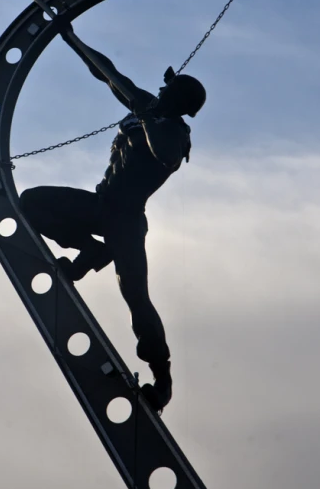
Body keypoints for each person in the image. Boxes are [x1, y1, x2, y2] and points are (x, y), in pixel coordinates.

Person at [19, 20, 206, 411]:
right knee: (32, 202)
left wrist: (149, 118)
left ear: (179, 98)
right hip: (101, 206)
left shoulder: (174, 132)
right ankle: (92, 252)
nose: (160, 88)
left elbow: (165, 157)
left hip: (127, 220)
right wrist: (71, 38)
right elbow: (108, 73)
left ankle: (163, 379)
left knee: (136, 296)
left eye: (168, 87)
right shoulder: (146, 106)